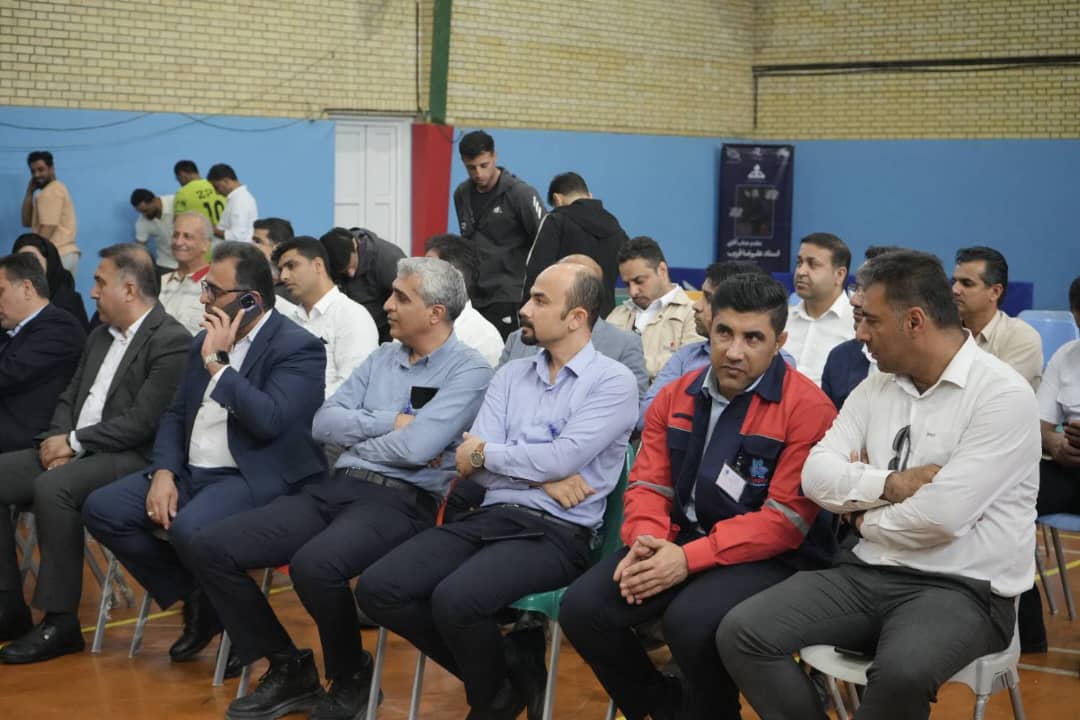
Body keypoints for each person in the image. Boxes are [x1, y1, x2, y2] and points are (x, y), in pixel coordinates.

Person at [717, 250, 1040, 720]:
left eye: (870, 320)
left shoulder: (1002, 395)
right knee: (742, 632)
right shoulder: (876, 386)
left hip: (964, 588)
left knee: (901, 673)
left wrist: (859, 517)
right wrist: (888, 485)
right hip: (867, 571)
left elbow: (941, 518)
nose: (859, 334)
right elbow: (815, 475)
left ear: (914, 322)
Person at [183, 257, 492, 720]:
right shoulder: (382, 357)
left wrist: (368, 438)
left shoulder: (469, 369)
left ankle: (351, 676)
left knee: (315, 565)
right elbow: (324, 423)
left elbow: (418, 447)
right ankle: (289, 667)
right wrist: (390, 423)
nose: (387, 305)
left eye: (400, 297)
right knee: (211, 547)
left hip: (401, 501)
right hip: (338, 486)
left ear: (435, 312)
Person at [356, 262, 638, 720]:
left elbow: (553, 457)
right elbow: (469, 466)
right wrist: (538, 474)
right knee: (378, 588)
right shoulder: (511, 376)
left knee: (455, 599)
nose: (524, 309)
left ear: (576, 318)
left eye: (540, 301)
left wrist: (492, 454)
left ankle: (491, 699)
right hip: (491, 516)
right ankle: (505, 678)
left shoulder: (612, 381)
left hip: (557, 532)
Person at [561, 273, 837, 720]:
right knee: (582, 608)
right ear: (709, 329)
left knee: (689, 621)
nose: (734, 351)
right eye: (724, 332)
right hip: (679, 538)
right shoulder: (676, 396)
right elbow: (649, 485)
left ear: (779, 342)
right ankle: (666, 708)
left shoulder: (808, 409)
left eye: (753, 338)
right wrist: (647, 541)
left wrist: (687, 559)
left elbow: (783, 523)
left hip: (775, 558)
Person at [82, 241, 327, 671]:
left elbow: (269, 421)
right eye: (205, 288)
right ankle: (201, 596)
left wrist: (218, 365)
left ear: (251, 300)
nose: (203, 299)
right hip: (191, 471)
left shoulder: (298, 348)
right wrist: (164, 471)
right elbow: (176, 414)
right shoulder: (203, 340)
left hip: (249, 474)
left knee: (190, 531)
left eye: (214, 291)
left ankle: (263, 647)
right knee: (103, 508)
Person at [0, 244, 190, 662]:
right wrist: (57, 441)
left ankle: (61, 622)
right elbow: (69, 396)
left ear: (129, 289)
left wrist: (73, 443)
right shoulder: (100, 336)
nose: (92, 292)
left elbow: (142, 421)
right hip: (76, 448)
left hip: (131, 456)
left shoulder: (171, 340)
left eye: (100, 282)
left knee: (54, 489)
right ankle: (8, 605)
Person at [638, 260, 797, 427]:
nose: (696, 306)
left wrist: (680, 414)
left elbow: (759, 422)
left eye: (708, 298)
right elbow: (646, 417)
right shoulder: (686, 355)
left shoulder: (779, 362)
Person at [1017, 275, 1080, 653]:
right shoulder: (1066, 357)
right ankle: (1026, 628)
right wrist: (1055, 442)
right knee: (1007, 496)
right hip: (1067, 463)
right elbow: (1038, 425)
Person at [503, 253, 648, 399]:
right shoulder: (517, 339)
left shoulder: (624, 345)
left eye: (540, 301)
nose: (524, 311)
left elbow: (633, 404)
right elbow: (495, 394)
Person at [453, 130, 545, 339]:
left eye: (484, 165)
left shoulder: (521, 193)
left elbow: (544, 240)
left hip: (510, 295)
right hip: (474, 297)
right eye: (471, 167)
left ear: (494, 156)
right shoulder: (461, 194)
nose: (478, 173)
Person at [0, 253, 86, 454]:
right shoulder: (14, 329)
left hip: (24, 440)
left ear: (27, 289)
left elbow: (10, 373)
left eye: (0, 291)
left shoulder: (60, 326)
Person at [273, 236, 379, 396]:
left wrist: (301, 405)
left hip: (328, 410)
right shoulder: (289, 320)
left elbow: (355, 386)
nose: (283, 276)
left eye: (291, 266)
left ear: (318, 265)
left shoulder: (352, 316)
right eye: (281, 269)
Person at [524, 171, 629, 317]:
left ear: (557, 199)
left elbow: (536, 272)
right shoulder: (617, 230)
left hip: (565, 317)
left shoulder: (555, 221)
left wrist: (527, 312)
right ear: (589, 196)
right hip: (607, 317)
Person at [606, 236, 703, 381]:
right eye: (627, 284)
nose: (632, 292)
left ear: (662, 270)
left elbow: (690, 367)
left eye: (639, 281)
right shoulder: (617, 314)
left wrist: (626, 364)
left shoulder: (692, 314)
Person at [820, 245, 901, 410]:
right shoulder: (840, 358)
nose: (854, 301)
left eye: (866, 289)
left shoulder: (923, 367)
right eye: (856, 288)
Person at [952, 245, 1042, 388]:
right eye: (954, 282)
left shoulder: (1022, 337)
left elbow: (996, 393)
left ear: (995, 292)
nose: (955, 290)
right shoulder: (945, 332)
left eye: (967, 283)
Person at [424, 233, 510, 367]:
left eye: (426, 269)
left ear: (455, 278)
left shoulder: (484, 338)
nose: (417, 276)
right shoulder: (411, 320)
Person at [784, 232, 854, 386]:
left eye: (812, 264)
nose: (801, 272)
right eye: (799, 262)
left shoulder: (857, 324)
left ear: (840, 275)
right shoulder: (782, 319)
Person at [319, 227, 404, 344]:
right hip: (348, 327)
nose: (351, 273)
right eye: (344, 271)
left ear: (354, 244)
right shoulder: (328, 262)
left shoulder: (389, 258)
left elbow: (407, 299)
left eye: (351, 265)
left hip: (386, 328)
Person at [12, 233, 90, 330]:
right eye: (20, 263)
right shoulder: (10, 301)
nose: (27, 268)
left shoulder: (69, 302)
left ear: (50, 264)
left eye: (33, 261)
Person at [21, 151, 79, 276]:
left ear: (51, 168)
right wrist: (29, 192)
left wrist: (32, 253)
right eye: (33, 171)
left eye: (41, 169)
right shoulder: (55, 189)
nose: (36, 175)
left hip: (57, 255)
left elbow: (48, 227)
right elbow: (26, 221)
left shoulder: (51, 191)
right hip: (64, 255)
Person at [159, 211, 213, 335]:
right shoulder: (161, 282)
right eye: (175, 235)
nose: (178, 242)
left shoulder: (215, 286)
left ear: (206, 244)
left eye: (187, 237)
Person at [208, 164, 258, 245]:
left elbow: (238, 237)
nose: (217, 192)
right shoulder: (238, 198)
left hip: (236, 251)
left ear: (226, 181)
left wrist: (212, 229)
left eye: (216, 187)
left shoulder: (240, 200)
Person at [130, 188, 177, 273]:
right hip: (166, 264)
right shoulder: (142, 222)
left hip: (193, 261)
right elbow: (140, 247)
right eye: (140, 212)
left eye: (146, 210)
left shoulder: (175, 202)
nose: (144, 215)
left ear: (154, 200)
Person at [252, 217, 296, 302]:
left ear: (277, 247)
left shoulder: (293, 287)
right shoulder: (247, 280)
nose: (252, 246)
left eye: (257, 241)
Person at [173, 160, 227, 227]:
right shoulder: (216, 185)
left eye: (177, 178)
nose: (178, 181)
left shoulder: (182, 193)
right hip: (226, 231)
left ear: (182, 174)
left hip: (203, 232)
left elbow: (178, 223)